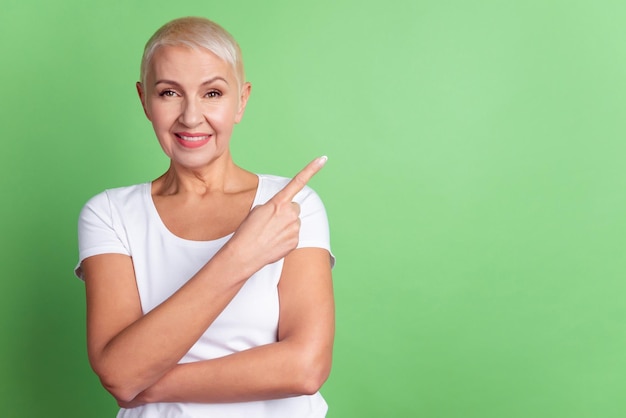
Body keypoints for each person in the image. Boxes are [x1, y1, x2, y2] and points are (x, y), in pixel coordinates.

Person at [75, 16, 335, 418]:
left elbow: (305, 368)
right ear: (145, 100)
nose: (191, 117)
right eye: (169, 93)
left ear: (241, 101)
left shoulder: (291, 205)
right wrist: (241, 255)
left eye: (212, 93)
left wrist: (144, 385)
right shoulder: (109, 214)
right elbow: (118, 372)